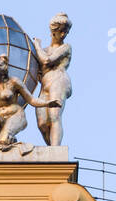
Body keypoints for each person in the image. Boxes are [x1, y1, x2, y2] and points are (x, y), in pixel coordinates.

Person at [33, 13, 73, 146]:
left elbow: (47, 60)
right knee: (42, 122)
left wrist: (36, 45)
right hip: (44, 85)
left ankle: (55, 149)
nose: (63, 35)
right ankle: (52, 150)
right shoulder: (44, 50)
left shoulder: (65, 47)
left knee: (54, 116)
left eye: (66, 32)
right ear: (53, 31)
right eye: (61, 31)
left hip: (59, 80)